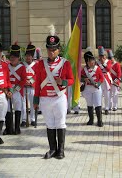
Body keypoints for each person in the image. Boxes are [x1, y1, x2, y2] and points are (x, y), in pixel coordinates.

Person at [33, 25, 74, 159]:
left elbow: (72, 80)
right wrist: (36, 99)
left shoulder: (65, 63)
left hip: (59, 97)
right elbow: (38, 82)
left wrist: (63, 82)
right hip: (45, 99)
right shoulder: (40, 64)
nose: (51, 52)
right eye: (49, 49)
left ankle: (61, 150)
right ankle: (52, 149)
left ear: (58, 50)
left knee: (60, 123)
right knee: (50, 124)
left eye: (54, 49)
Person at [4, 42, 27, 134]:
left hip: (17, 91)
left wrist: (14, 90)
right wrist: (8, 89)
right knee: (7, 109)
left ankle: (17, 128)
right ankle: (8, 128)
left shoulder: (22, 67)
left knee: (18, 108)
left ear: (18, 58)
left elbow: (23, 80)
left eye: (14, 57)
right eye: (11, 57)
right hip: (7, 90)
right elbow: (5, 78)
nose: (12, 59)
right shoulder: (6, 66)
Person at [81, 50, 104, 126]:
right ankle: (91, 120)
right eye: (91, 61)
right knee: (89, 104)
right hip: (88, 88)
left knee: (98, 104)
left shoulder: (97, 68)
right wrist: (84, 79)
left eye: (93, 60)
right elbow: (80, 77)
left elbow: (101, 78)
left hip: (96, 89)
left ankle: (99, 120)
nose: (92, 62)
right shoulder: (84, 70)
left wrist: (98, 83)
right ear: (87, 61)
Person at [21, 42, 38, 127]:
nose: (27, 57)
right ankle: (24, 119)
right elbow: (20, 74)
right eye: (26, 56)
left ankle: (33, 119)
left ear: (32, 57)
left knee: (32, 103)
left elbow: (37, 74)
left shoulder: (36, 65)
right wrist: (25, 81)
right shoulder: (22, 65)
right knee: (23, 104)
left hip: (32, 87)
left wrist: (30, 81)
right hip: (23, 87)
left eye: (29, 56)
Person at [97, 46, 112, 115]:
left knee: (107, 95)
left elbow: (108, 69)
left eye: (102, 56)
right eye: (100, 56)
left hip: (106, 80)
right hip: (99, 79)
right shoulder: (97, 62)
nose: (101, 57)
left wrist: (104, 63)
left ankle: (106, 108)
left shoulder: (108, 62)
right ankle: (99, 108)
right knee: (99, 95)